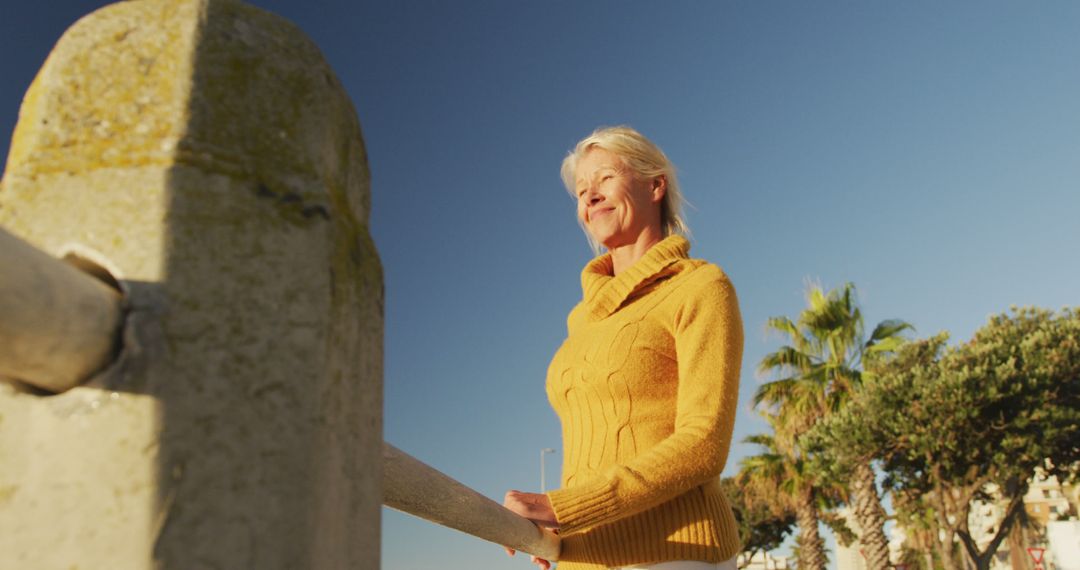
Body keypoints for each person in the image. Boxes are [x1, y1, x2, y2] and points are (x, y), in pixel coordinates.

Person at [503, 126, 744, 570]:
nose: (589, 197)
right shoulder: (582, 318)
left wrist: (566, 507)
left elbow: (703, 444)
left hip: (674, 553)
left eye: (605, 179)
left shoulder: (700, 287)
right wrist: (563, 524)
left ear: (655, 185)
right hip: (583, 557)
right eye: (580, 191)